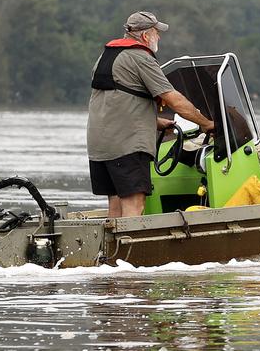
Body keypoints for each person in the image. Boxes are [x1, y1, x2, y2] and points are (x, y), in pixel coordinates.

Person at [87, 11, 215, 218]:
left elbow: (114, 102)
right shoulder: (140, 58)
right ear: (146, 36)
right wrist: (206, 123)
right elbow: (174, 99)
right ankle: (131, 250)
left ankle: (109, 251)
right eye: (156, 32)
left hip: (99, 145)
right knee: (134, 206)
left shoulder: (106, 56)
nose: (159, 37)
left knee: (116, 205)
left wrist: (154, 122)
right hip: (127, 146)